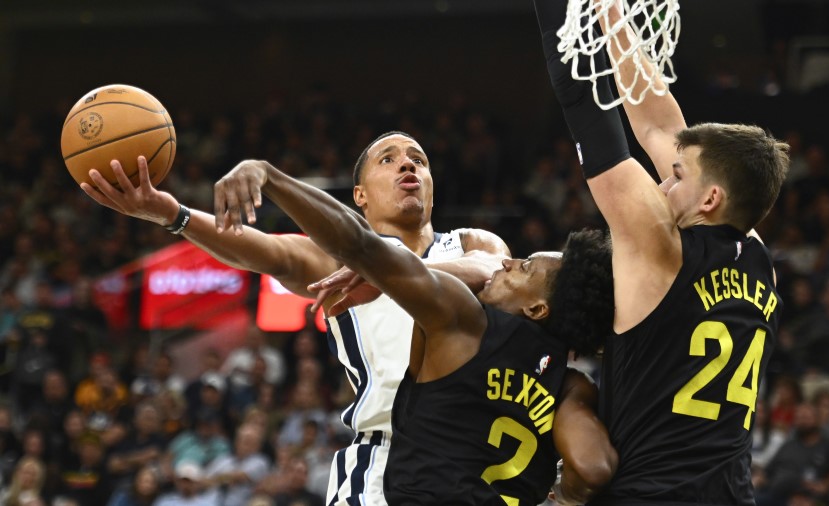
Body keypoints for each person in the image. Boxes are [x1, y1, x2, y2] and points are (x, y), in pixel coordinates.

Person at [80, 131, 510, 505]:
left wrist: (390, 275)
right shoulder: (331, 260)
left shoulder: (471, 241)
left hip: (484, 459)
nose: (407, 164)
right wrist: (173, 215)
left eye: (418, 159)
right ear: (360, 196)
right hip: (387, 466)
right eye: (388, 158)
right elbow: (264, 249)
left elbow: (496, 273)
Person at [210, 159, 617, 505]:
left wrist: (270, 175)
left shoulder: (463, 319)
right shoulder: (572, 387)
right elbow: (593, 466)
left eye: (524, 267)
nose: (509, 264)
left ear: (537, 307)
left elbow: (357, 242)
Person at [534, 0, 789, 504]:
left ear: (710, 199)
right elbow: (655, 123)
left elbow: (583, 107)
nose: (662, 182)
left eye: (675, 177)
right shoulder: (760, 260)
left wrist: (555, 11)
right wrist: (608, 15)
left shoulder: (658, 248)